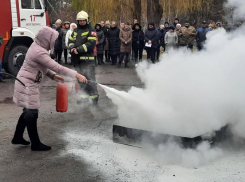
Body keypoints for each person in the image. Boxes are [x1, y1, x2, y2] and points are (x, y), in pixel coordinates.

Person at [12, 26, 87, 151]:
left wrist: (52, 75)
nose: (54, 42)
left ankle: (17, 137)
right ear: (47, 39)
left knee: (27, 111)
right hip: (27, 84)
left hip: (26, 82)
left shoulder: (37, 47)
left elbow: (43, 66)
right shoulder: (39, 51)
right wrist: (77, 75)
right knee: (32, 113)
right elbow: (58, 67)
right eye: (53, 39)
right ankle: (35, 144)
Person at [68, 10, 99, 104]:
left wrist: (79, 49)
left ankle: (94, 98)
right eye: (80, 20)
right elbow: (70, 41)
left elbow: (91, 44)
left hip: (88, 61)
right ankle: (84, 97)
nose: (82, 22)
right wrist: (72, 48)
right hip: (77, 60)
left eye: (83, 20)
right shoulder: (75, 30)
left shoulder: (91, 30)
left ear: (87, 20)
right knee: (80, 79)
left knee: (90, 79)